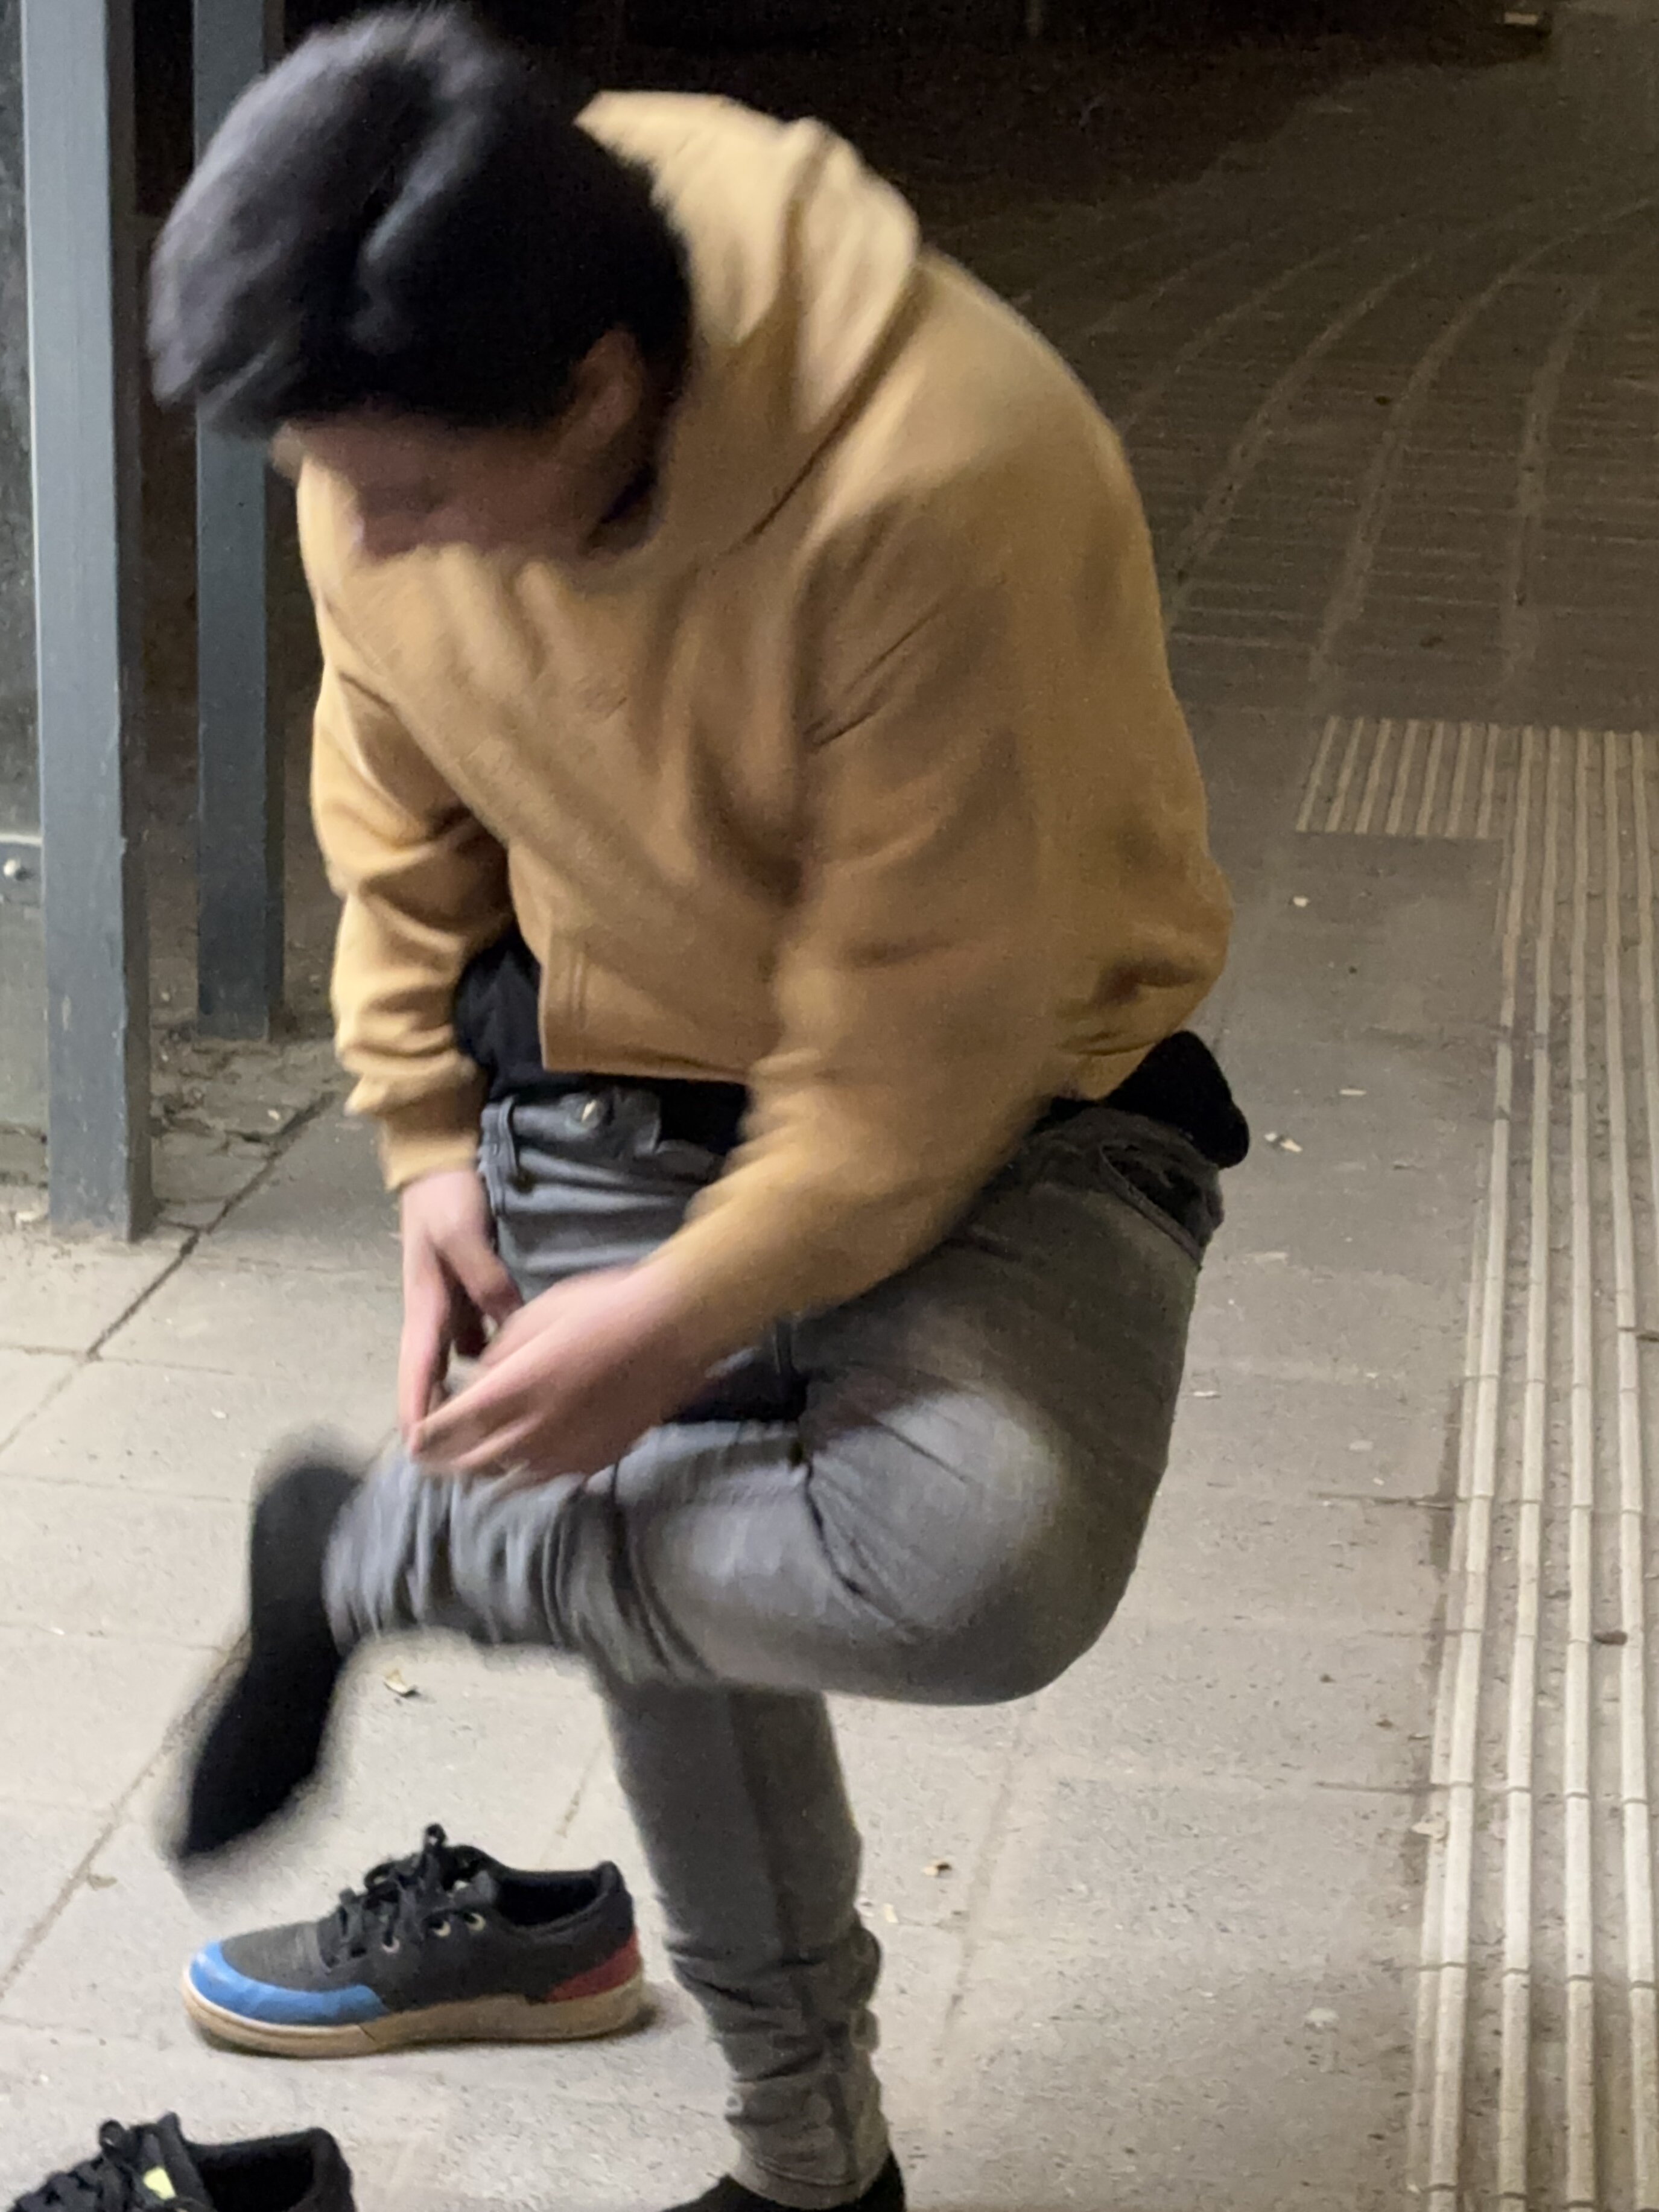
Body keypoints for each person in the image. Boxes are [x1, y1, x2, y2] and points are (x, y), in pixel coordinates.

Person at [148, 10, 1242, 2210]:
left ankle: (373, 1551)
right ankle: (813, 2163)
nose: (360, 534)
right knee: (663, 1558)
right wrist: (426, 1136)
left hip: (1022, 1100)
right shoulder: (393, 428)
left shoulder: (944, 483)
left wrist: (669, 1319)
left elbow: (914, 1055)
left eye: (411, 491)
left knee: (973, 1565)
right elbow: (392, 794)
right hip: (610, 1061)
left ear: (596, 395)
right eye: (329, 481)